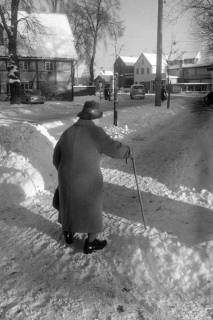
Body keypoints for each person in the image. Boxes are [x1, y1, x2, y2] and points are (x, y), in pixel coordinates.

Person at [53, 100, 131, 254]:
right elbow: (114, 149)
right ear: (94, 117)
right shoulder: (95, 132)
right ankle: (91, 242)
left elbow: (56, 158)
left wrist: (65, 172)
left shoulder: (68, 132)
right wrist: (127, 151)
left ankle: (68, 233)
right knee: (91, 210)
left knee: (69, 206)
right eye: (99, 116)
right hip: (88, 180)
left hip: (66, 178)